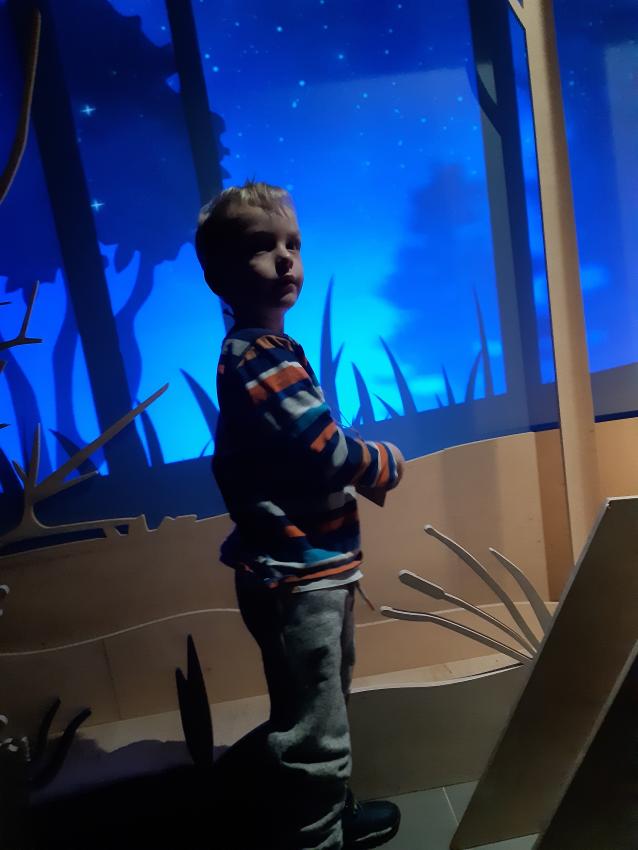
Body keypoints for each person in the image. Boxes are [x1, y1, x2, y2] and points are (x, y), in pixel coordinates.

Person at [195, 180, 405, 850]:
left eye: (293, 244)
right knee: (316, 730)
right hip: (297, 576)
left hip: (310, 568)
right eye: (264, 247)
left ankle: (326, 814)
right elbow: (326, 448)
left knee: (319, 705)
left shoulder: (267, 351)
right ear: (219, 277)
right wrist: (384, 463)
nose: (286, 258)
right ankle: (317, 838)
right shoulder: (259, 357)